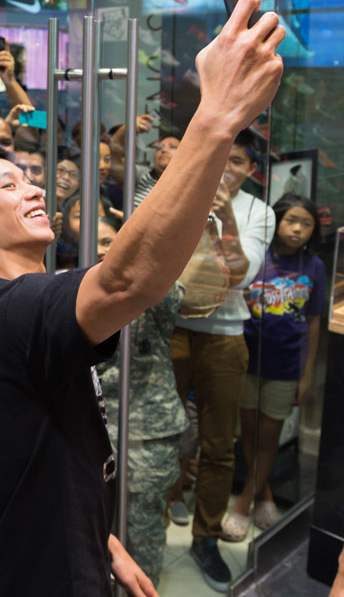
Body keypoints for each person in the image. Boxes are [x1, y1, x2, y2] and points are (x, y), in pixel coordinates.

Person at [0, 0, 284, 594]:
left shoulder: (26, 304)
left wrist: (101, 536)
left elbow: (29, 462)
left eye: (30, 178)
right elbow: (129, 279)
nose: (34, 188)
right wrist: (217, 117)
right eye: (9, 183)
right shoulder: (12, 308)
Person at [171, 130, 275, 589]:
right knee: (157, 433)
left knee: (218, 445)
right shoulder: (182, 190)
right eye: (221, 157)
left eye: (237, 161)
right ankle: (147, 517)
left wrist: (225, 212)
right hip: (170, 327)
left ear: (250, 169)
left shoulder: (260, 212)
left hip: (226, 335)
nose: (227, 168)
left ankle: (206, 537)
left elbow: (241, 275)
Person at [222, 193, 324, 540]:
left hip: (285, 366)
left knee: (269, 437)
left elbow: (313, 322)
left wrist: (306, 374)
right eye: (291, 220)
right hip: (248, 360)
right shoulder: (257, 259)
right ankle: (264, 491)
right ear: (276, 221)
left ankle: (244, 502)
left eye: (306, 223)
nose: (297, 229)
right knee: (248, 433)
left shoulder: (314, 268)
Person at [94, 213, 188, 585]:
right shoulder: (72, 294)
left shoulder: (152, 293)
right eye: (97, 243)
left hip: (146, 431)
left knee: (143, 528)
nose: (106, 251)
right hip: (93, 431)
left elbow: (170, 290)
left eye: (111, 242)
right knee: (92, 526)